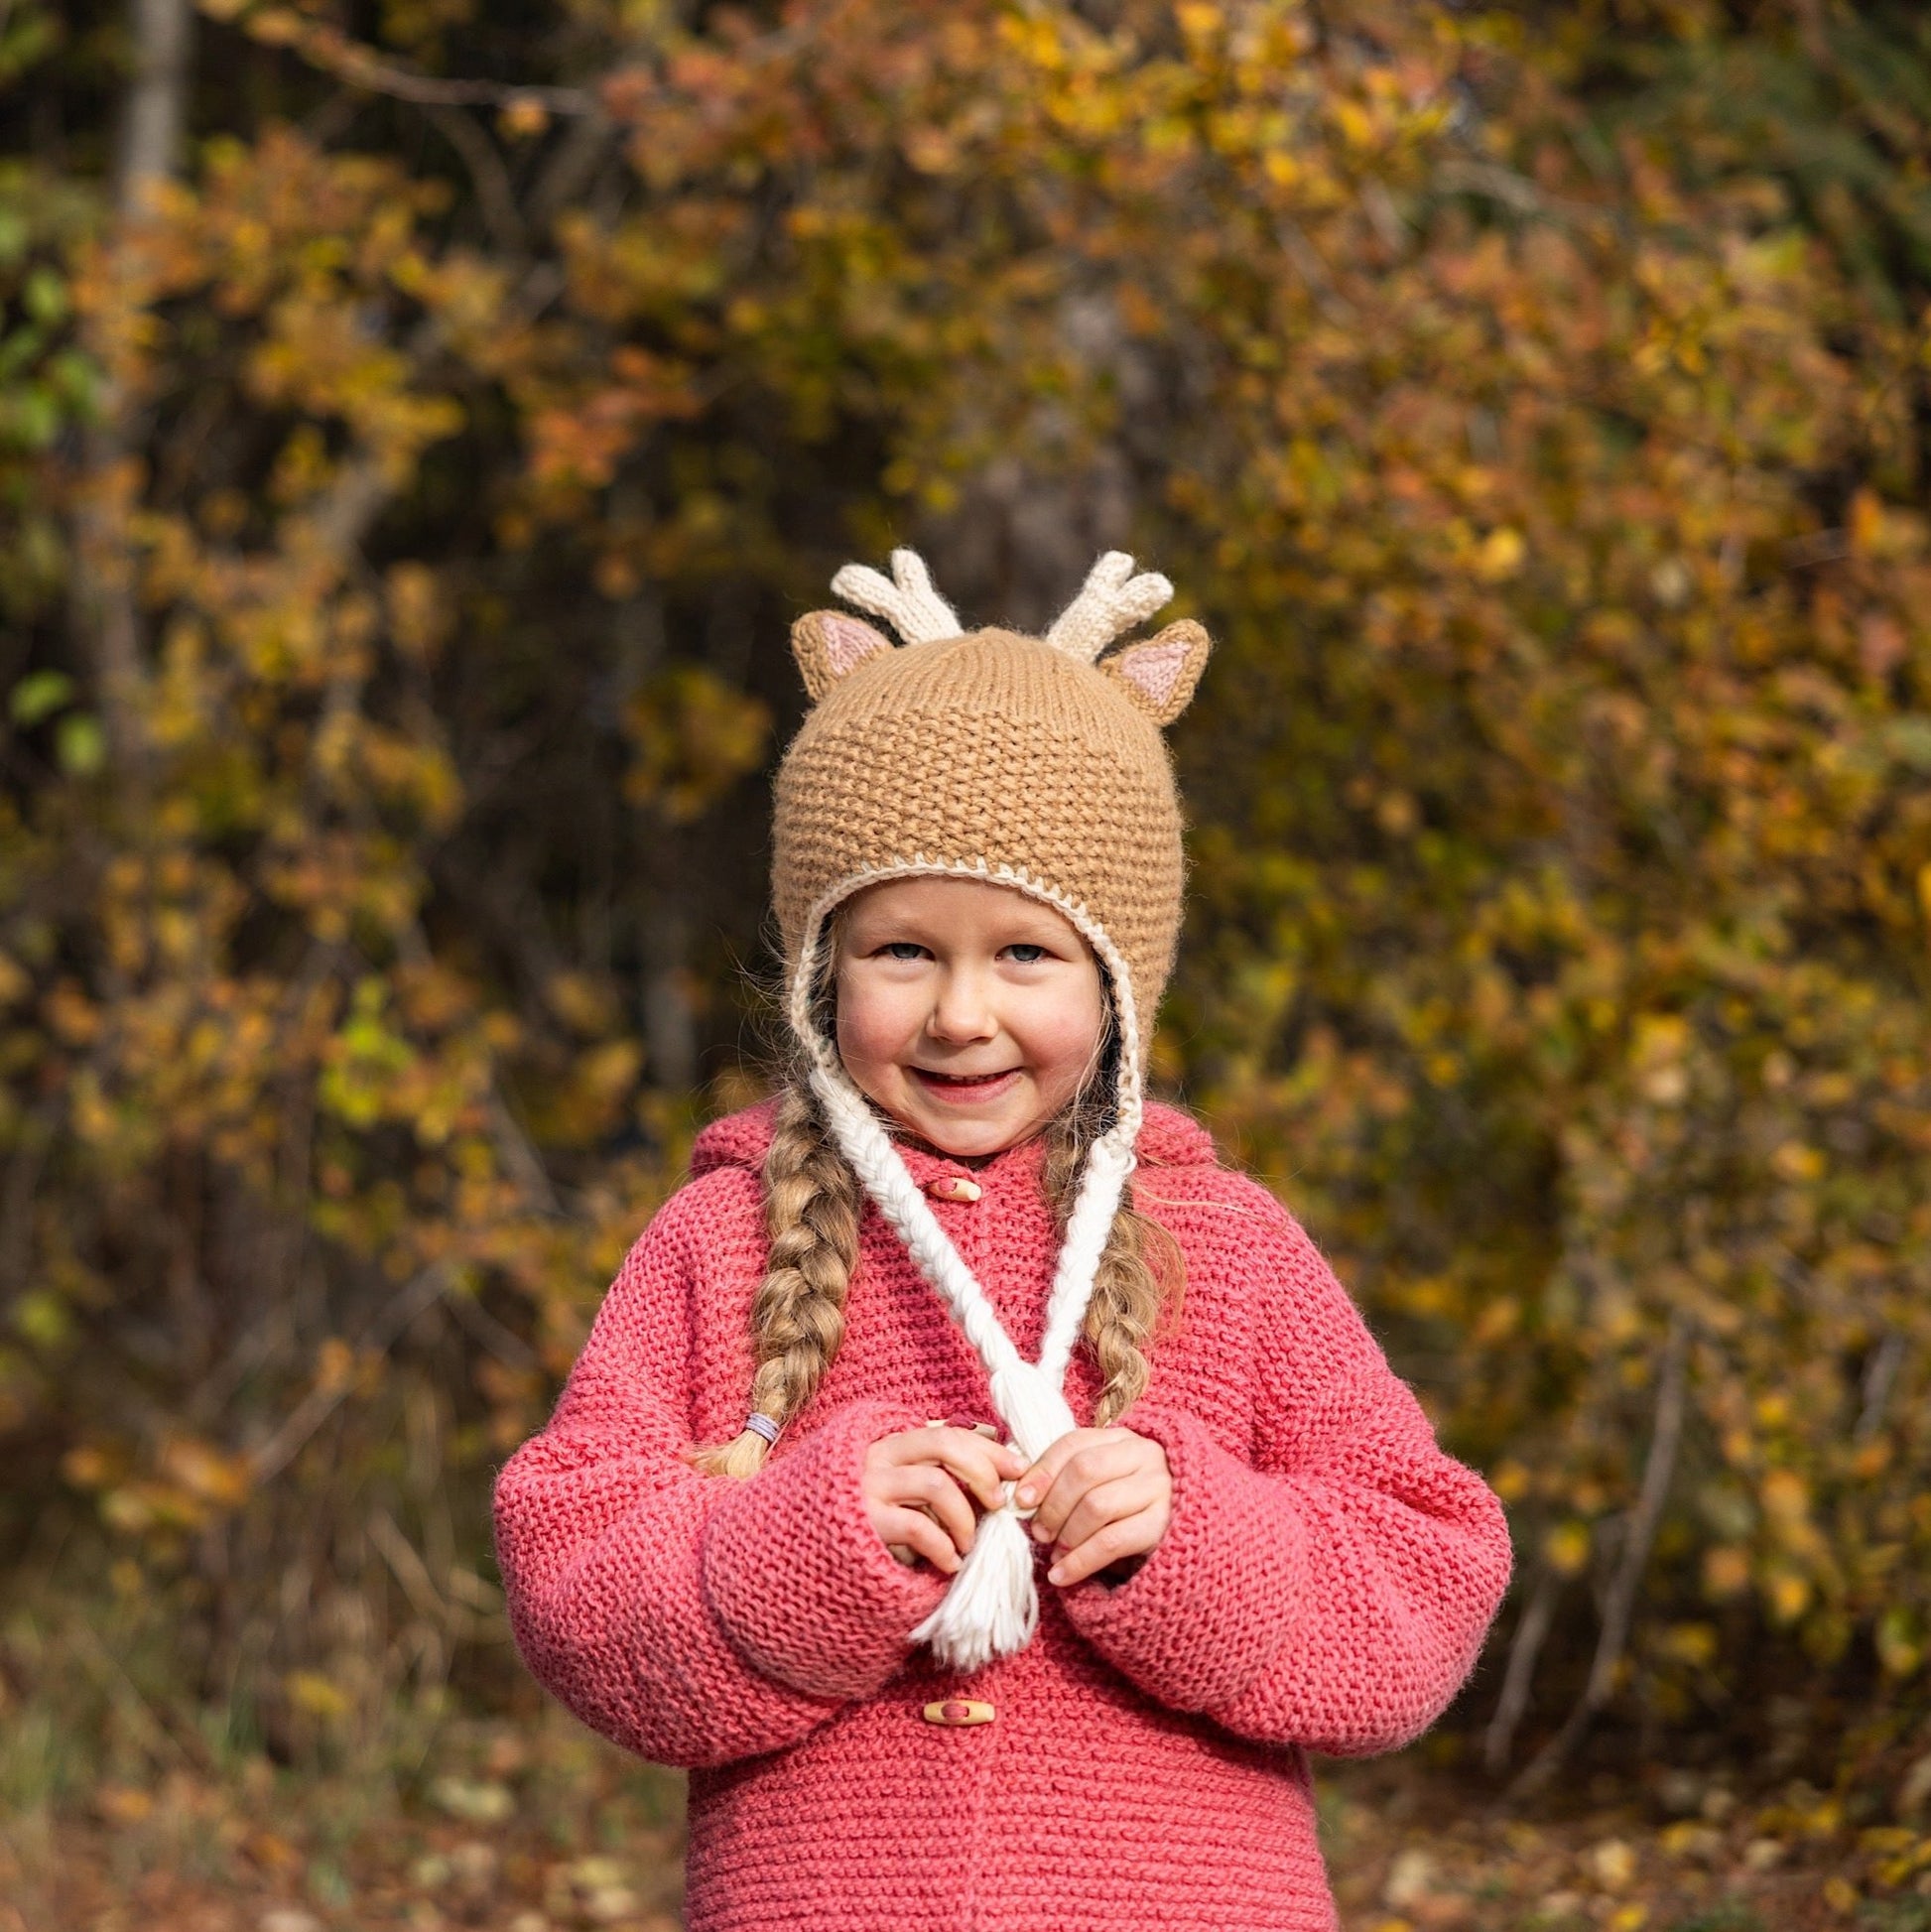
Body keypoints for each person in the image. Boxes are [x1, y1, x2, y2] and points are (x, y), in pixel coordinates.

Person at [492, 549, 1513, 1932]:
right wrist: (799, 1544)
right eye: (900, 951)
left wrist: (1197, 1537)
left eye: (1025, 955)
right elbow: (575, 1582)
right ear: (815, 973)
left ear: (1116, 984)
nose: (961, 1014)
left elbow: (1422, 1585)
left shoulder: (1230, 1243)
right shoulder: (720, 1240)